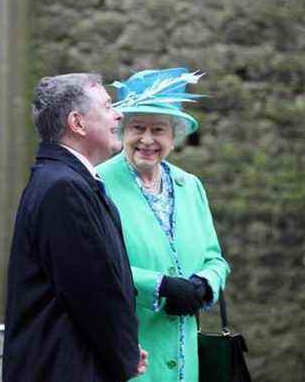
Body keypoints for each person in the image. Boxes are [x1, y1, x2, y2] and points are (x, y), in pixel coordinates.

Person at [3, 73, 147, 382]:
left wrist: (125, 346)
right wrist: (124, 352)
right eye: (108, 107)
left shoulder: (68, 180)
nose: (119, 114)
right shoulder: (63, 188)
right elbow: (91, 290)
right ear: (77, 123)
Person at [97, 68, 231, 382]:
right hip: (129, 356)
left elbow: (215, 259)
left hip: (187, 362)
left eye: (158, 129)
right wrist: (160, 285)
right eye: (137, 128)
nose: (147, 139)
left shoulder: (190, 185)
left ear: (174, 136)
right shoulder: (98, 184)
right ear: (121, 132)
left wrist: (204, 284)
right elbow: (94, 266)